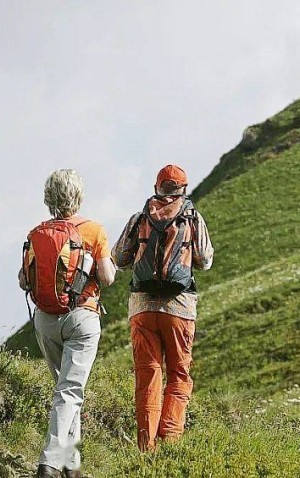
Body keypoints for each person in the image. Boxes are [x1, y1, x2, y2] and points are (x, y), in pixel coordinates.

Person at [18, 169, 116, 478]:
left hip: (45, 320)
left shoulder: (37, 233)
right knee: (70, 392)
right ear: (78, 196)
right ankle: (49, 463)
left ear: (49, 197)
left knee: (66, 390)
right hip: (81, 319)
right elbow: (108, 278)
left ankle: (71, 466)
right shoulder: (94, 231)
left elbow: (23, 280)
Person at [112, 164, 214, 451]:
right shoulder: (192, 218)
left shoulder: (139, 218)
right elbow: (205, 260)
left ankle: (147, 447)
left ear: (157, 187)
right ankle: (170, 442)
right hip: (180, 308)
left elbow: (119, 258)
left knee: (148, 374)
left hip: (142, 308)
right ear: (183, 189)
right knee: (178, 375)